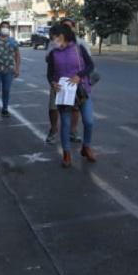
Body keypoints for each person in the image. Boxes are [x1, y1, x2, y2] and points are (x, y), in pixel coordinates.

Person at [45, 23, 96, 167]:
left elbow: (90, 66)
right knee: (66, 124)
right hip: (63, 93)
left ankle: (86, 147)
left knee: (89, 121)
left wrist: (79, 76)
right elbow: (50, 74)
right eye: (52, 38)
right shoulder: (53, 53)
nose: (53, 41)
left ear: (62, 36)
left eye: (54, 37)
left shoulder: (78, 48)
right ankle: (66, 153)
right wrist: (53, 83)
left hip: (81, 90)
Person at [0, 21, 21, 118]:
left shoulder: (13, 41)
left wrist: (17, 68)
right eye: (3, 27)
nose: (5, 29)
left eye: (7, 27)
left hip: (9, 70)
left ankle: (5, 109)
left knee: (6, 90)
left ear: (9, 29)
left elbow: (17, 55)